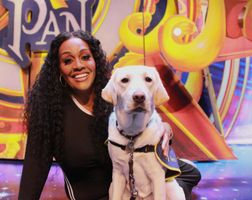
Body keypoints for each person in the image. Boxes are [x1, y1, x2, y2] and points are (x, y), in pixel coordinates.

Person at [18, 30, 201, 200]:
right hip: (96, 196)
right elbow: (34, 169)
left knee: (190, 173)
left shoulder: (114, 94)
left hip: (132, 187)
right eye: (68, 61)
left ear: (95, 60)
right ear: (58, 69)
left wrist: (165, 128)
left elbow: (145, 122)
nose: (78, 66)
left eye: (85, 57)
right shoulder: (50, 113)